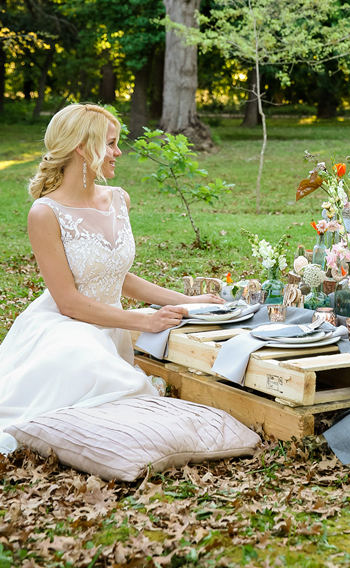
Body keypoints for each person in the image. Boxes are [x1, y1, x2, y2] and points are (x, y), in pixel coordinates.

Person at [0, 103, 222, 454]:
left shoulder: (118, 200)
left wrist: (185, 300)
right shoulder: (45, 213)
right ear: (82, 147)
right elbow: (68, 302)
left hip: (111, 327)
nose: (118, 152)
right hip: (65, 327)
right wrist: (143, 320)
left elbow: (118, 277)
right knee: (87, 364)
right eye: (112, 143)